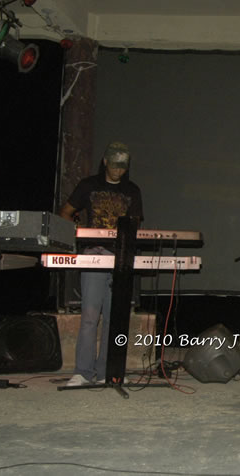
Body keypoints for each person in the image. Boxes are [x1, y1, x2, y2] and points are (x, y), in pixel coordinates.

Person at [60, 142, 143, 386]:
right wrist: (77, 231)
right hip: (95, 253)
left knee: (113, 318)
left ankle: (107, 371)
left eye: (123, 168)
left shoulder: (133, 190)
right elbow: (65, 211)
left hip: (120, 257)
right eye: (115, 166)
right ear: (105, 162)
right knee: (89, 316)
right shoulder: (89, 185)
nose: (118, 171)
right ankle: (83, 372)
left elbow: (136, 223)